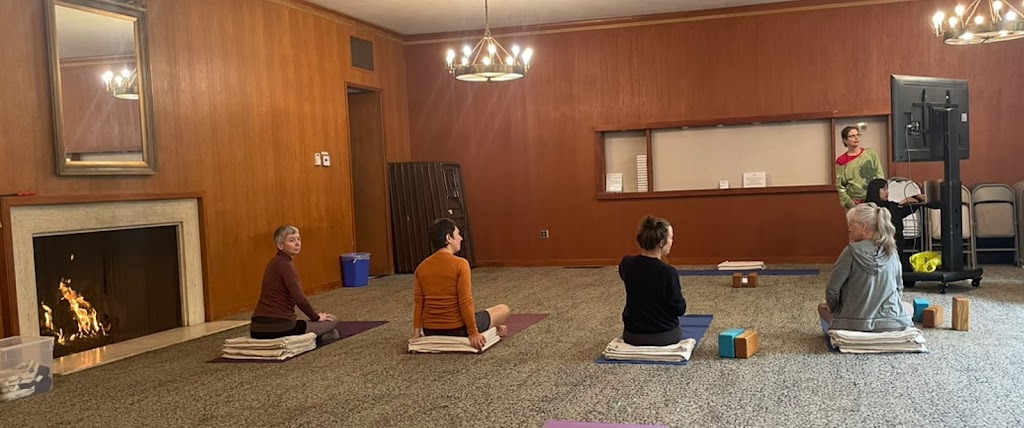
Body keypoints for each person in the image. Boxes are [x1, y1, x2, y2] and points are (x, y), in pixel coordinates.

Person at [411, 218, 510, 350]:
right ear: (448, 238)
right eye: (457, 234)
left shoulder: (421, 268)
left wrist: (417, 334)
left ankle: (496, 327)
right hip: (458, 329)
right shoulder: (460, 264)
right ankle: (494, 327)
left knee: (486, 317)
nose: (461, 238)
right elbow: (465, 301)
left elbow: (419, 303)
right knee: (503, 309)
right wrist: (473, 333)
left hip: (430, 330)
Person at [817, 203, 914, 332]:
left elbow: (831, 289)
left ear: (863, 227)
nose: (849, 229)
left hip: (854, 325)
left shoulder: (850, 252)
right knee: (908, 307)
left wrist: (835, 308)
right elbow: (899, 288)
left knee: (822, 306)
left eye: (852, 225)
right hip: (890, 324)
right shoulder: (892, 251)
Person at [250, 225, 340, 341]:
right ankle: (314, 338)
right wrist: (316, 317)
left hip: (257, 328)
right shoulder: (285, 265)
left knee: (333, 333)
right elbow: (299, 298)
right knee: (333, 320)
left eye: (298, 239)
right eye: (292, 240)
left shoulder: (274, 263)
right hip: (279, 327)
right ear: (280, 245)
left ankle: (319, 337)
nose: (297, 243)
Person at [618, 215, 687, 346]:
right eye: (671, 238)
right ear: (661, 243)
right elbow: (679, 309)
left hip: (632, 335)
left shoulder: (626, 263)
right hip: (664, 336)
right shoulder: (668, 272)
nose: (672, 241)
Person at [864, 178, 939, 272]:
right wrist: (900, 204)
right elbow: (891, 213)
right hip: (879, 248)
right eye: (884, 189)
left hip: (896, 246)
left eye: (887, 189)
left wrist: (916, 197)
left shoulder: (891, 206)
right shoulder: (868, 209)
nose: (887, 192)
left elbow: (902, 210)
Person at [835, 126, 885, 209]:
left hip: (874, 201)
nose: (856, 138)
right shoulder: (842, 160)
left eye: (858, 135)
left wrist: (879, 195)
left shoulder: (870, 153)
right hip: (855, 203)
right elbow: (840, 186)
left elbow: (879, 175)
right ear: (845, 140)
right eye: (852, 136)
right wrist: (850, 203)